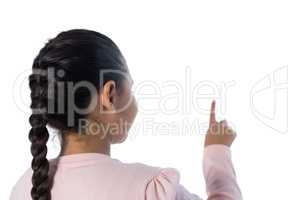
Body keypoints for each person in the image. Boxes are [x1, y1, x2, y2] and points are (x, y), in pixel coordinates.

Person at [9, 29, 242, 200]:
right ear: (109, 95)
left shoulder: (23, 188)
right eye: (132, 89)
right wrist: (217, 150)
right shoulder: (151, 189)